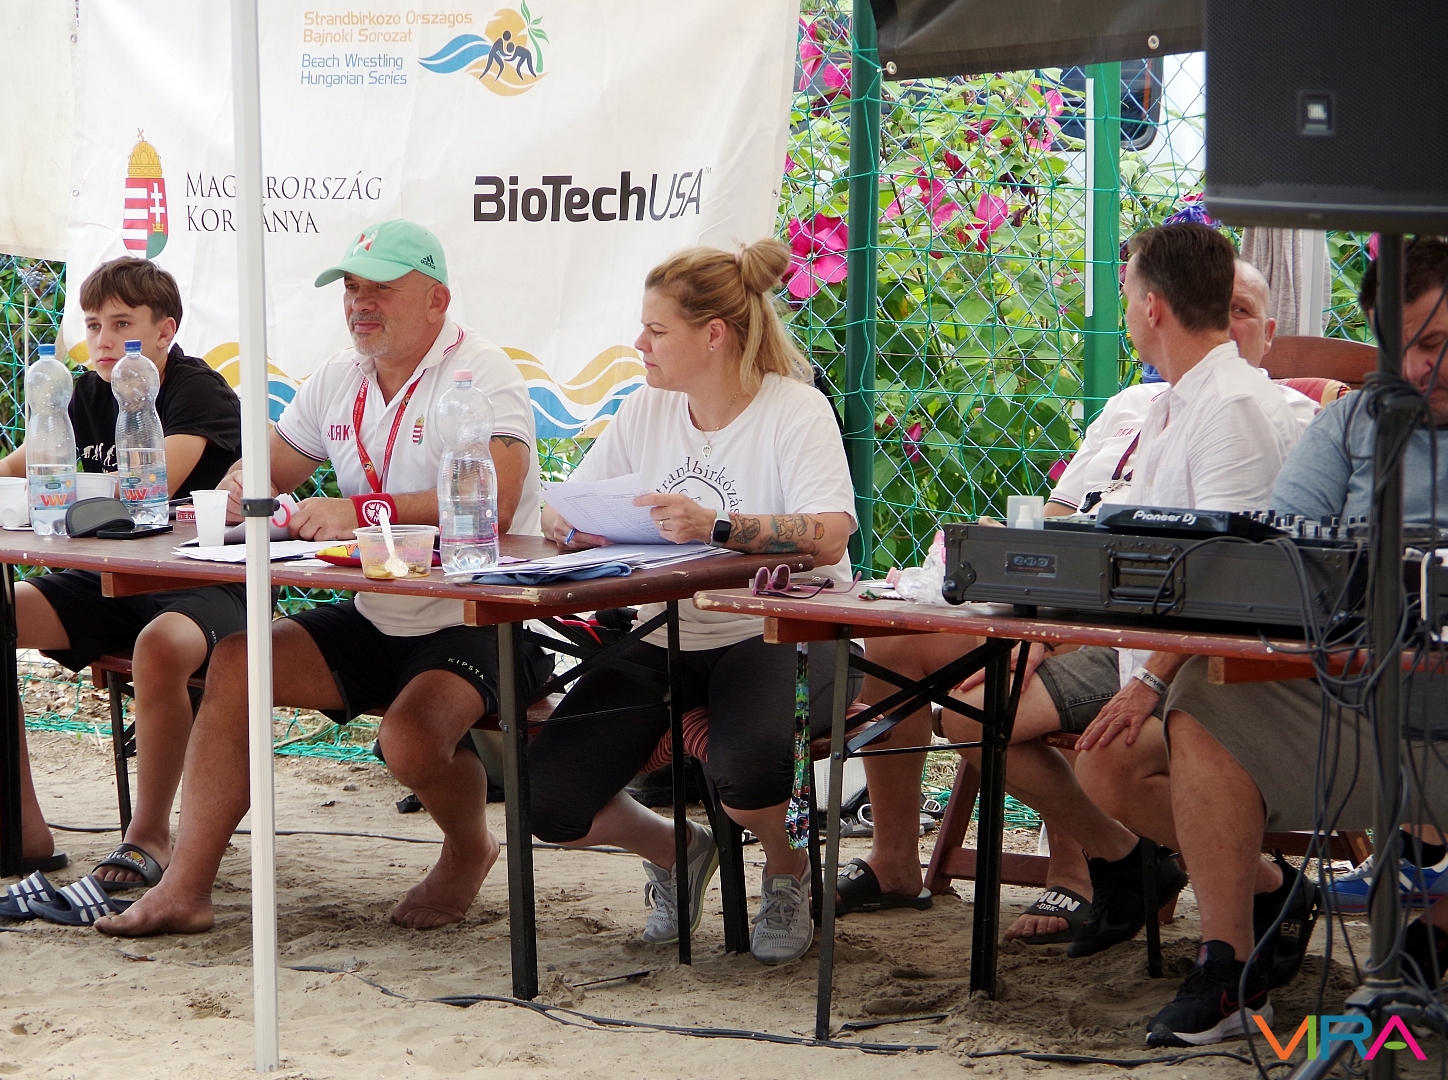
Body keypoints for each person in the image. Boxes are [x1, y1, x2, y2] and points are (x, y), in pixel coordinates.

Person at [841, 257, 1319, 949]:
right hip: (1085, 616)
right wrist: (1036, 621)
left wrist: (1095, 646)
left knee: (1005, 717)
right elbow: (1061, 521)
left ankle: (1104, 869)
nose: (1223, 322)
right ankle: (1093, 860)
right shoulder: (1141, 405)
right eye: (1218, 306)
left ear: (1268, 333)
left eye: (1240, 310)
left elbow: (1221, 574)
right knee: (919, 663)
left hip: (1156, 637)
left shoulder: (1270, 411)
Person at [97, 219, 550, 936]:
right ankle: (185, 887)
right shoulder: (341, 376)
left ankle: (469, 850)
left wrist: (361, 509)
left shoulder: (481, 372)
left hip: (479, 615)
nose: (360, 304)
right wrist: (248, 487)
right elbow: (269, 468)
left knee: (409, 738)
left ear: (436, 300)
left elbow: (496, 490)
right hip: (378, 610)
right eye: (351, 288)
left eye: (382, 290)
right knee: (239, 662)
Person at [1141, 238, 1448, 1047]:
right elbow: (1273, 548)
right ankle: (1229, 972)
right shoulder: (1352, 422)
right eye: (1406, 349)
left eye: (1438, 342)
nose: (1423, 367)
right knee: (1203, 702)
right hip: (1357, 704)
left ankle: (1434, 941)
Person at [526, 239, 858, 965]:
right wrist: (571, 524)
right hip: (661, 634)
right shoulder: (647, 408)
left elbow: (831, 534)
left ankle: (788, 869)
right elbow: (564, 504)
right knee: (545, 800)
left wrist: (717, 527)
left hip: (773, 628)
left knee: (752, 777)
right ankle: (677, 849)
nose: (639, 344)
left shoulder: (793, 409)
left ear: (714, 335)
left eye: (656, 330)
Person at [0, 257, 246, 887]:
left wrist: (45, 490)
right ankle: (19, 829)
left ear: (165, 330)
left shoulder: (195, 390)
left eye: (121, 324)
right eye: (93, 325)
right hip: (111, 578)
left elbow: (150, 484)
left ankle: (148, 837)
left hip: (201, 579)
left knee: (159, 645)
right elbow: (21, 465)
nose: (102, 340)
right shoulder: (85, 389)